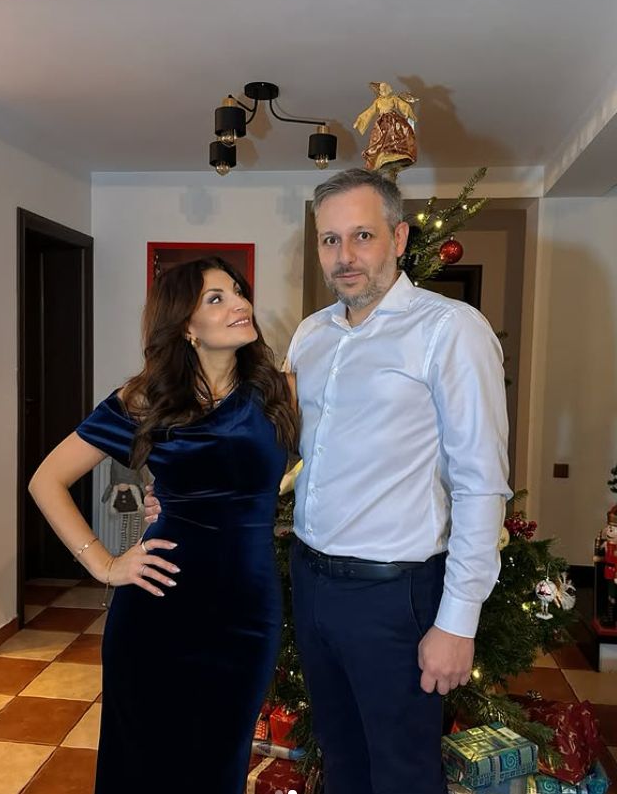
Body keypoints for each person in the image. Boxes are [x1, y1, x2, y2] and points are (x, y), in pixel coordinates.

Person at [147, 169, 512, 794]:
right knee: (340, 764)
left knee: (401, 775)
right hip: (312, 583)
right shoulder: (312, 335)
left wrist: (458, 621)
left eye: (362, 235)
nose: (344, 256)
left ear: (399, 237)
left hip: (395, 596)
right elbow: (279, 445)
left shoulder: (450, 330)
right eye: (329, 239)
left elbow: (482, 484)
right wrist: (190, 492)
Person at [29, 257, 298, 794]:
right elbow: (46, 480)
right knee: (141, 763)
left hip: (248, 611)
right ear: (185, 326)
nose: (240, 304)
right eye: (216, 298)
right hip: (158, 605)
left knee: (220, 764)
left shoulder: (281, 391)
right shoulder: (144, 399)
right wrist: (105, 564)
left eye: (237, 291)